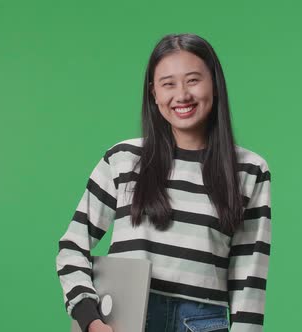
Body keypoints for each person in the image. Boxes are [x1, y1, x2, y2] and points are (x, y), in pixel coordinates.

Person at [56, 33, 272, 332]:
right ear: (153, 93)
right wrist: (89, 319)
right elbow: (72, 246)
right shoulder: (123, 159)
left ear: (215, 85)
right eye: (168, 83)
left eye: (193, 80)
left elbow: (250, 276)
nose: (181, 95)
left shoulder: (249, 169)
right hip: (123, 320)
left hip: (201, 323)